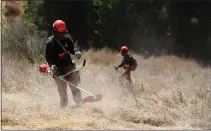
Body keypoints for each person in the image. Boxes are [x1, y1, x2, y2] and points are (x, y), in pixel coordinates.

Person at [45, 20, 83, 108]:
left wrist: (76, 52)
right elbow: (48, 57)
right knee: (62, 89)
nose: (62, 35)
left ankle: (79, 103)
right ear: (54, 32)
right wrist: (52, 66)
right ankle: (63, 106)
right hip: (57, 69)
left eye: (63, 33)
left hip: (69, 66)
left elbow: (72, 48)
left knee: (74, 85)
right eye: (60, 33)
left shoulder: (66, 39)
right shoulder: (50, 43)